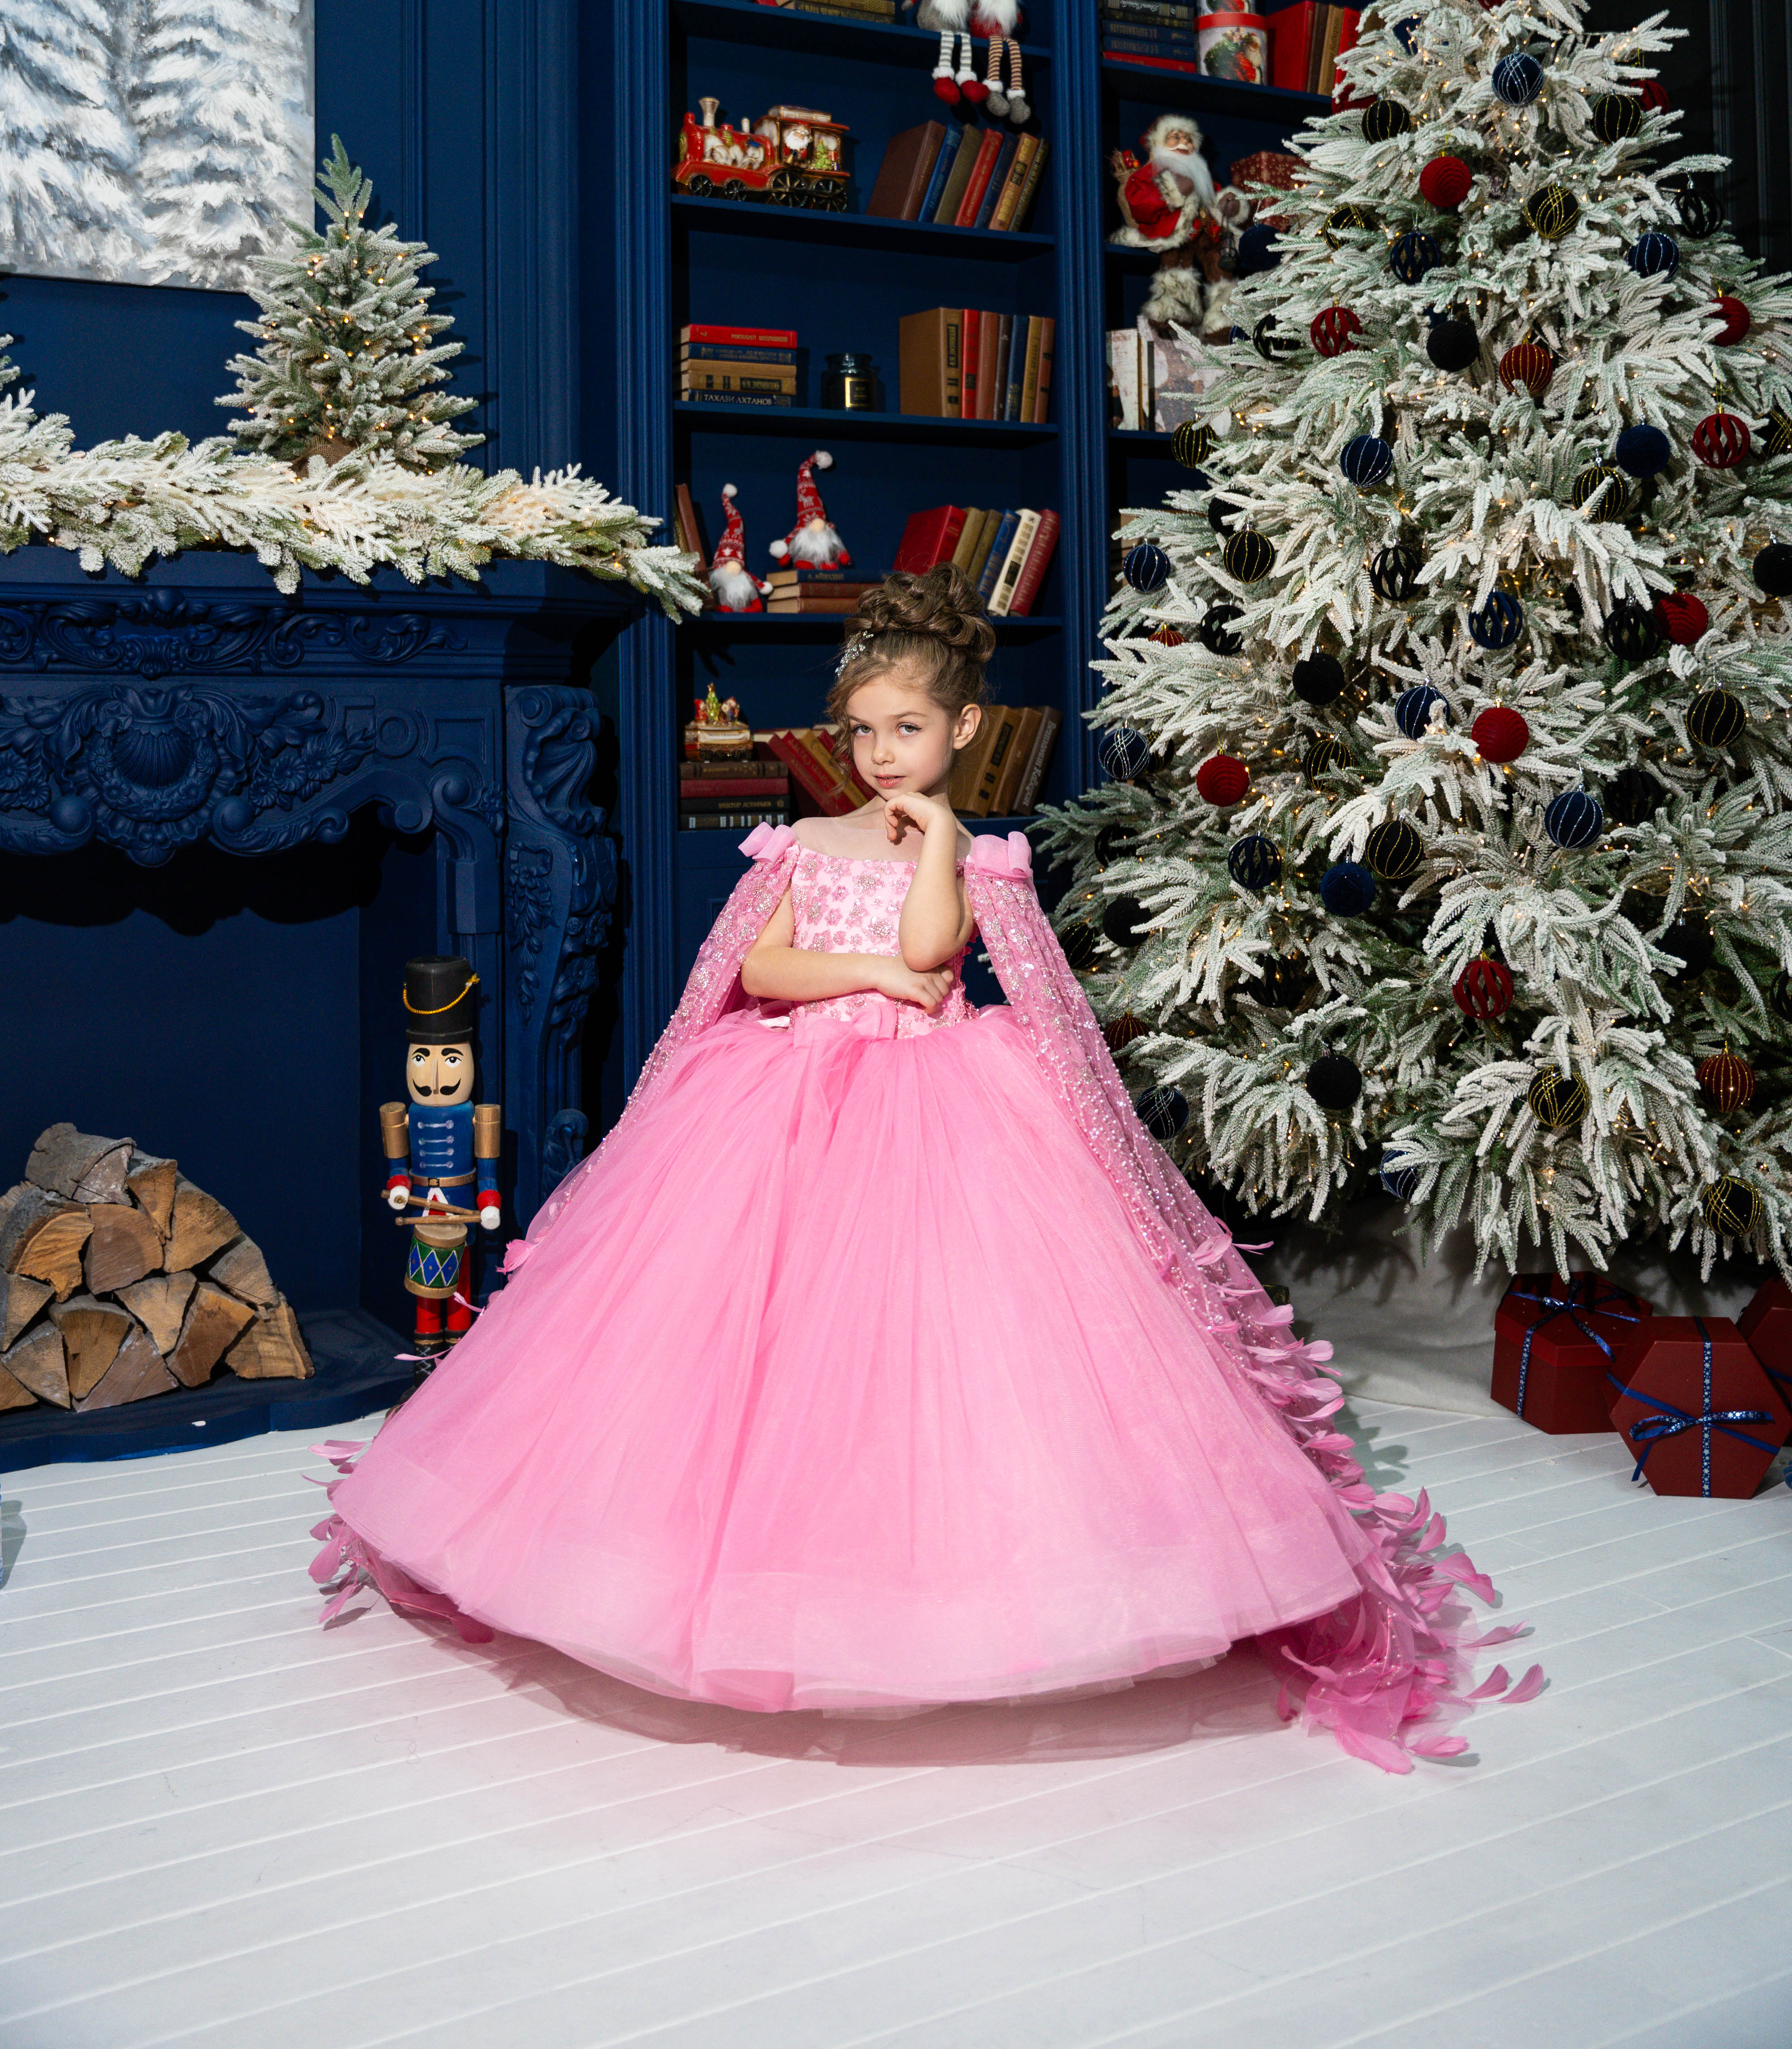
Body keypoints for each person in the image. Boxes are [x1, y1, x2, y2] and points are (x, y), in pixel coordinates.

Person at [314, 567, 1524, 1770]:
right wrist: (871, 975)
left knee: (937, 1347)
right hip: (785, 1103)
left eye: (907, 731)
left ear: (964, 729)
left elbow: (936, 944)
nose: (882, 755)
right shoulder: (803, 843)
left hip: (938, 1111)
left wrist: (943, 842)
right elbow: (760, 972)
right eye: (863, 732)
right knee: (763, 1338)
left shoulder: (979, 857)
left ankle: (946, 1593)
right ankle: (709, 1577)